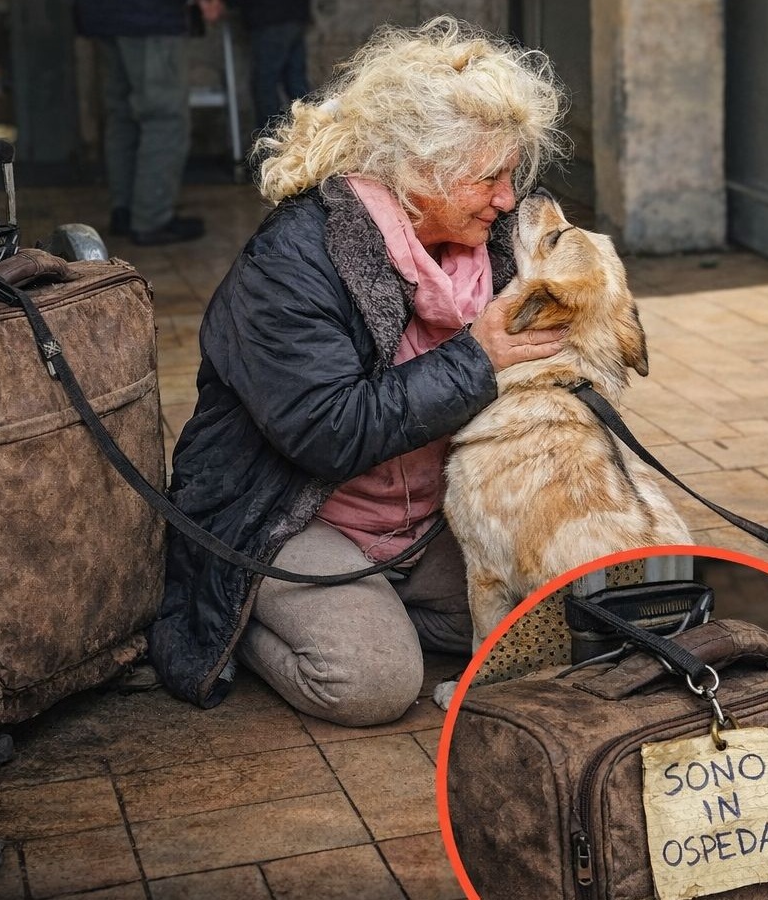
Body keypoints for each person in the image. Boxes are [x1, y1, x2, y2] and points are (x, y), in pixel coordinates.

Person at [149, 16, 569, 726]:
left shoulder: (493, 243)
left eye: (512, 174)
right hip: (291, 514)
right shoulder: (294, 260)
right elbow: (328, 431)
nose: (507, 199)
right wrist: (480, 357)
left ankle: (378, 602)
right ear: (417, 172)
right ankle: (239, 619)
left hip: (426, 518)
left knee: (556, 628)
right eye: (488, 178)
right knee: (375, 683)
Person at [73, 0, 225, 246]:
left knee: (121, 114)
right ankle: (152, 218)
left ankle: (125, 210)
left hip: (101, 15)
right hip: (149, 16)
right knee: (165, 117)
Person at [238, 0, 311, 135]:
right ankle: (311, 135)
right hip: (295, 14)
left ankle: (271, 142)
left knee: (265, 84)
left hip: (268, 16)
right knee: (296, 83)